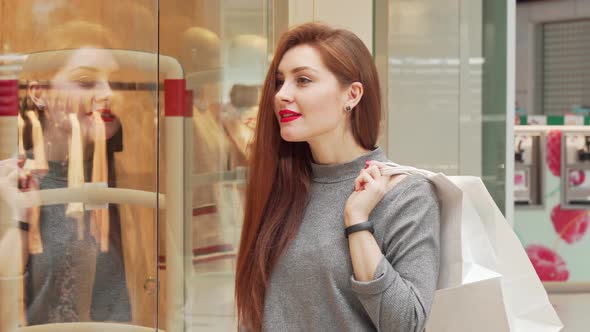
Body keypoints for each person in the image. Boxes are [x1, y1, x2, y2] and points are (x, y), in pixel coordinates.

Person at [235, 23, 441, 332]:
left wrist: (357, 221)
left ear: (352, 95)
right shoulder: (282, 188)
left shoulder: (406, 194)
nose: (282, 95)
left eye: (302, 80)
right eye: (280, 82)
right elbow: (256, 312)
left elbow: (406, 324)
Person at [19, 23, 131, 324]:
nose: (107, 94)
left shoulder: (116, 181)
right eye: (86, 82)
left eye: (115, 82)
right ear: (39, 93)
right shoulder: (20, 183)